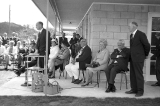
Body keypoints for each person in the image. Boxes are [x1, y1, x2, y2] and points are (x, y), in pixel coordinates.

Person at [125, 22, 150, 97]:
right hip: (132, 58)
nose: (128, 27)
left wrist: (144, 55)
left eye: (129, 26)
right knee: (132, 74)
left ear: (134, 26)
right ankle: (134, 89)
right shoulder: (131, 35)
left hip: (139, 58)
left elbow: (147, 45)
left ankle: (140, 91)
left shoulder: (141, 34)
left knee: (138, 74)